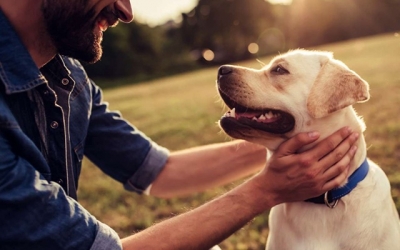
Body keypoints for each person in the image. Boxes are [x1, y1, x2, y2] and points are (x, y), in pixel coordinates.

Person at [0, 1, 359, 249]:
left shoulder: (69, 79)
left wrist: (293, 139)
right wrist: (266, 190)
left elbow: (161, 171)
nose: (126, 11)